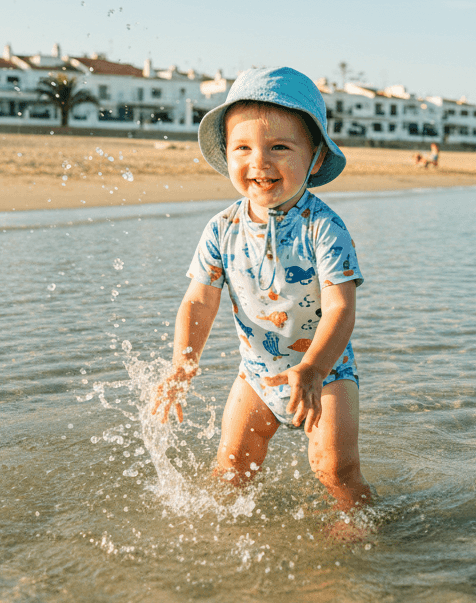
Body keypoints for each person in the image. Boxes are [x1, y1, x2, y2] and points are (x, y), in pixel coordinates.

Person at [153, 66, 374, 521]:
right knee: (230, 470)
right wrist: (182, 363)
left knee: (336, 470)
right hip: (255, 375)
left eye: (279, 148)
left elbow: (340, 306)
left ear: (313, 159)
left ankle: (362, 526)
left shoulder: (323, 228)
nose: (259, 162)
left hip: (325, 373)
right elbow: (199, 301)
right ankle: (224, 533)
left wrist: (313, 368)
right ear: (227, 155)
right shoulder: (222, 228)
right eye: (243, 148)